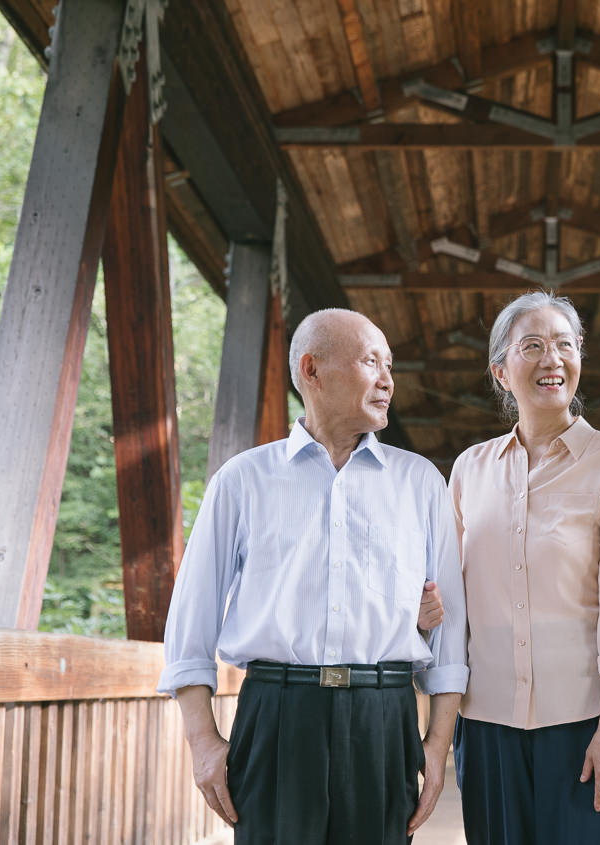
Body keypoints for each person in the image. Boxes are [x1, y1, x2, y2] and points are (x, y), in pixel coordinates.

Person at [157, 308, 468, 844]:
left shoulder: (420, 482)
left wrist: (436, 748)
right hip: (276, 718)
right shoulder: (242, 480)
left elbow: (451, 633)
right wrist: (203, 740)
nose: (388, 380)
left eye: (390, 365)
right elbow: (191, 621)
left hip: (384, 719)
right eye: (372, 361)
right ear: (312, 370)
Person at [448, 291, 600, 845]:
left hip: (587, 722)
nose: (551, 359)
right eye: (531, 346)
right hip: (486, 723)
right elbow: (448, 594)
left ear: (580, 356)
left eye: (564, 344)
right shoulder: (469, 469)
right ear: (501, 370)